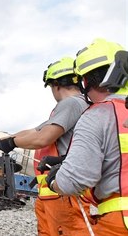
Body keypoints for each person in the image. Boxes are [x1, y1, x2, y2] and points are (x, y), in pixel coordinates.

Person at [0, 57, 90, 236]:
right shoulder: (70, 107)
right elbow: (35, 130)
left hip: (62, 196)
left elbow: (43, 137)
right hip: (53, 193)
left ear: (56, 84)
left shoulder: (71, 103)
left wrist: (11, 142)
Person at [46, 38, 128, 235]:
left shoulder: (97, 116)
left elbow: (74, 180)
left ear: (85, 81)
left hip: (120, 222)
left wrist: (54, 181)